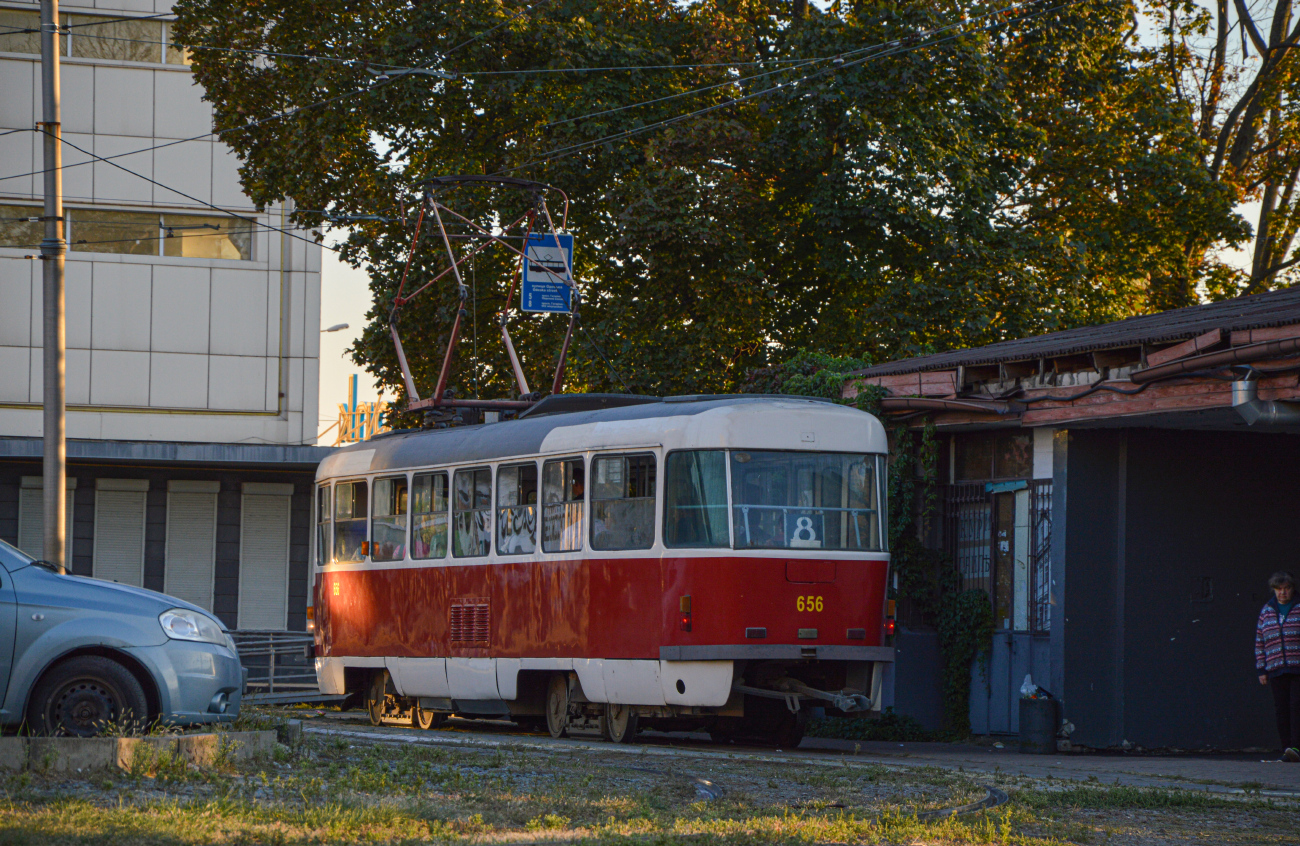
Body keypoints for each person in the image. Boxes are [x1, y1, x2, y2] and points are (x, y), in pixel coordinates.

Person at [1256, 571, 1300, 762]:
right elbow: (1260, 641)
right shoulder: (1267, 611)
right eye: (1279, 589)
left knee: (1296, 706)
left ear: (1292, 589)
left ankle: (1297, 747)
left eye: (1287, 588)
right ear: (1274, 590)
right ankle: (1287, 749)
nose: (1283, 593)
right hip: (1275, 667)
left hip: (1297, 667)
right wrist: (1261, 669)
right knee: (1281, 708)